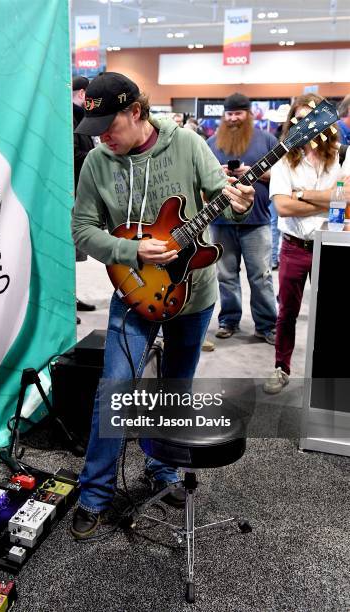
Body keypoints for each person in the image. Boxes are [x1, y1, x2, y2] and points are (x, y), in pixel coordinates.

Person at [71, 72, 255, 539]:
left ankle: (163, 469)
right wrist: (132, 252)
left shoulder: (188, 146)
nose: (103, 138)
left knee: (173, 390)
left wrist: (241, 202)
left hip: (192, 295)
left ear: (137, 111)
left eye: (109, 125)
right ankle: (94, 493)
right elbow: (82, 230)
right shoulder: (97, 161)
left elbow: (226, 202)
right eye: (95, 130)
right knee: (115, 390)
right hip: (133, 294)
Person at [263, 93, 350, 394]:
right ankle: (281, 367)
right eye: (298, 119)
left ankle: (327, 378)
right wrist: (327, 201)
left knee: (332, 311)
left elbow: (346, 196)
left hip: (331, 246)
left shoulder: (340, 153)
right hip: (294, 247)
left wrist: (300, 194)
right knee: (287, 312)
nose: (305, 125)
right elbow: (282, 208)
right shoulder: (283, 157)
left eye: (311, 118)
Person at [206, 93, 278, 344]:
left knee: (261, 276)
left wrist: (254, 172)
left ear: (249, 114)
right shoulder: (212, 143)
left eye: (238, 113)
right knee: (225, 276)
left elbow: (281, 175)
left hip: (257, 220)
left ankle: (267, 324)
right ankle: (229, 320)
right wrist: (219, 174)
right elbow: (202, 181)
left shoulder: (267, 140)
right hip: (220, 221)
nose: (234, 118)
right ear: (224, 116)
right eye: (229, 113)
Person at [72, 75, 96, 318]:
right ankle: (66, 302)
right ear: (82, 94)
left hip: (80, 192)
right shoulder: (71, 120)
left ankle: (71, 297)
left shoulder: (82, 120)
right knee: (68, 252)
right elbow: (73, 156)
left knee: (74, 253)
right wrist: (98, 157)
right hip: (70, 193)